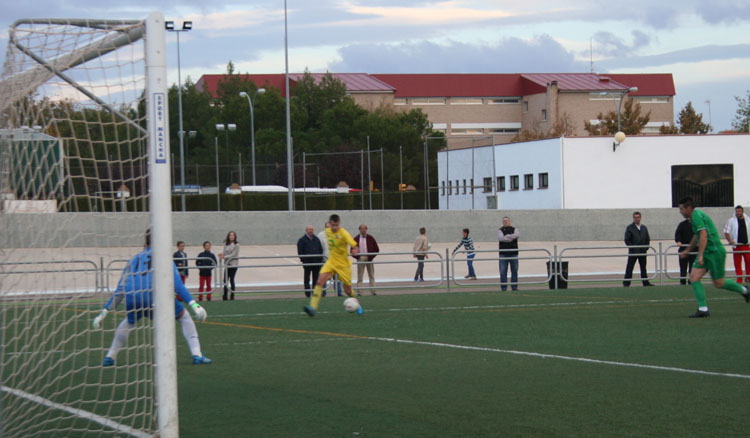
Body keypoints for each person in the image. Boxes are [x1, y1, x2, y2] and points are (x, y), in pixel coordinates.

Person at [92, 229, 212, 366]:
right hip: (154, 296)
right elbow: (177, 285)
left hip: (132, 297)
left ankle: (110, 357)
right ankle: (197, 355)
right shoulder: (164, 258)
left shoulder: (133, 259)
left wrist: (104, 313)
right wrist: (194, 305)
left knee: (129, 321)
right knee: (184, 317)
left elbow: (120, 290)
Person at [678, 197, 749, 317]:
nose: (680, 211)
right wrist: (688, 251)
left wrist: (700, 256)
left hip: (715, 252)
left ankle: (744, 290)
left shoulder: (696, 216)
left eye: (681, 209)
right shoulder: (695, 216)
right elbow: (697, 236)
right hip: (707, 252)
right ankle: (703, 309)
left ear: (688, 208)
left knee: (719, 283)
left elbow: (703, 236)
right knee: (694, 278)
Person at [304, 214, 362, 317]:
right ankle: (312, 308)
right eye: (333, 225)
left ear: (339, 224)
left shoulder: (344, 233)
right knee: (320, 281)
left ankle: (357, 303)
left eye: (337, 225)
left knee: (347, 290)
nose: (335, 227)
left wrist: (355, 250)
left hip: (343, 265)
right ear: (329, 224)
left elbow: (354, 245)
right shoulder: (327, 232)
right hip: (331, 262)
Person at [623, 211, 653, 287]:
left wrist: (646, 247)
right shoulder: (630, 228)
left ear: (640, 218)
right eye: (635, 217)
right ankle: (626, 283)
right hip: (633, 252)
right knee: (630, 267)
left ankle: (645, 282)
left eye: (638, 217)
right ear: (633, 218)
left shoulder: (644, 228)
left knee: (643, 268)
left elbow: (647, 238)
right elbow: (627, 239)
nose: (637, 219)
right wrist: (632, 247)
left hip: (642, 251)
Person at [724, 205, 750, 284]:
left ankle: (748, 278)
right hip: (737, 246)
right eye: (737, 211)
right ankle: (739, 279)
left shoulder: (748, 220)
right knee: (737, 263)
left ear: (742, 211)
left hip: (746, 245)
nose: (738, 213)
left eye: (740, 211)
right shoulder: (731, 221)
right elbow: (726, 231)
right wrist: (730, 240)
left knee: (748, 262)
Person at [297, 225, 324, 298]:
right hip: (307, 263)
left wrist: (319, 259)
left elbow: (320, 250)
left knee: (316, 279)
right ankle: (308, 294)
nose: (311, 231)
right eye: (309, 229)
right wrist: (304, 260)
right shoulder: (301, 240)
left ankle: (315, 294)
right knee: (307, 279)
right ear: (306, 230)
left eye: (312, 229)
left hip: (316, 263)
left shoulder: (316, 239)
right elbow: (300, 252)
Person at [353, 224, 380, 296]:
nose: (363, 230)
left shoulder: (371, 238)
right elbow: (352, 250)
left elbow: (377, 249)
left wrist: (371, 256)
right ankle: (359, 291)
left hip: (369, 258)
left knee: (371, 275)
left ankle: (373, 291)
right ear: (359, 230)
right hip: (360, 258)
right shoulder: (356, 238)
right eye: (362, 229)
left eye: (364, 228)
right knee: (360, 276)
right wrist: (357, 257)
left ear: (366, 229)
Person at [498, 216, 519, 291]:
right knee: (503, 272)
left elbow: (516, 235)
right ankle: (504, 288)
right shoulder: (500, 230)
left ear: (510, 221)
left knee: (514, 271)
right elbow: (501, 238)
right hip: (503, 254)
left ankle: (514, 287)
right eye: (504, 221)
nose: (505, 222)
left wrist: (508, 236)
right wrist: (511, 239)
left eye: (507, 221)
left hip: (513, 253)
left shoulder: (514, 229)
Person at [317, 221, 338, 297]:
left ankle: (338, 292)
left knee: (337, 277)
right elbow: (319, 248)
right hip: (324, 260)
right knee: (324, 277)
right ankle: (323, 293)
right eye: (327, 227)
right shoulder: (320, 235)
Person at [219, 231, 239, 301]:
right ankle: (225, 296)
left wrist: (225, 257)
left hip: (233, 265)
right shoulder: (225, 244)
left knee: (232, 279)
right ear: (228, 236)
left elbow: (234, 255)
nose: (232, 236)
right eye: (230, 235)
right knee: (225, 280)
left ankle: (232, 295)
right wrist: (222, 255)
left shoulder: (237, 245)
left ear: (235, 237)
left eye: (233, 235)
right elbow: (224, 253)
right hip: (227, 264)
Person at [675, 217, 695, 285]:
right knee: (683, 267)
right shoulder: (682, 224)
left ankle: (691, 281)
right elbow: (677, 234)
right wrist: (678, 241)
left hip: (694, 250)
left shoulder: (696, 225)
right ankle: (682, 281)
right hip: (683, 250)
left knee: (692, 267)